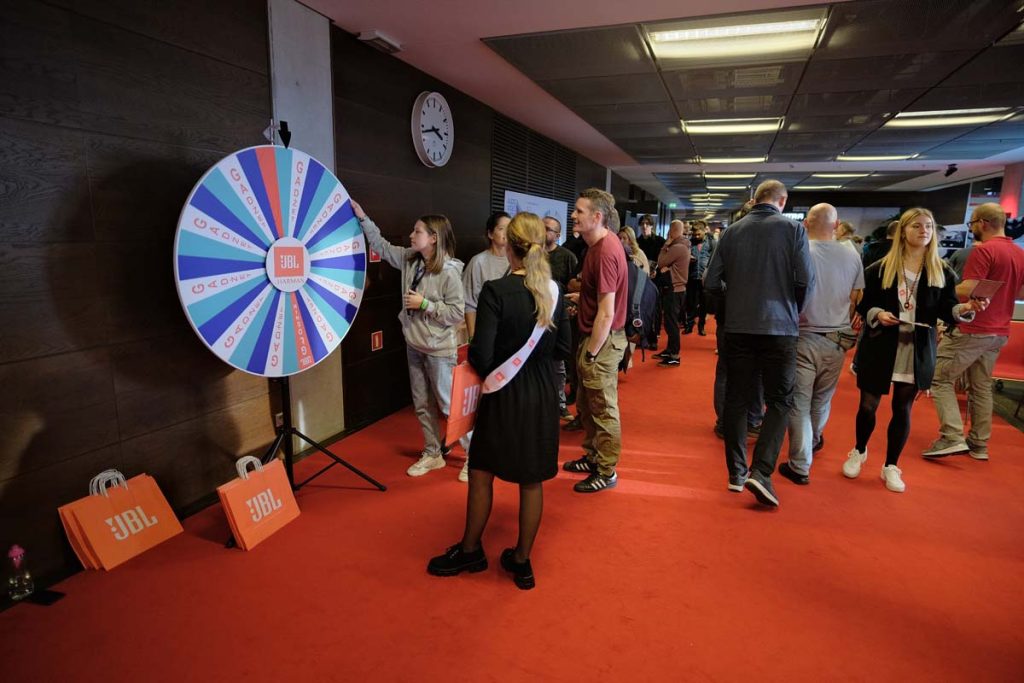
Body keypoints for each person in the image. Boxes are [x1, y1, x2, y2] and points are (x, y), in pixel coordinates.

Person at [426, 212, 571, 590]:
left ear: (509, 246)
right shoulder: (553, 292)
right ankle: (522, 560)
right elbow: (564, 349)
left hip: (503, 395)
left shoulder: (496, 291)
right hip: (541, 395)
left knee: (481, 471)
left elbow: (482, 355)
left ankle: (471, 550)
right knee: (532, 480)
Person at [842, 208, 983, 493]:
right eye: (917, 226)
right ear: (903, 231)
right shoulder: (879, 268)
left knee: (902, 408)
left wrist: (965, 309)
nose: (924, 230)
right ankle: (859, 450)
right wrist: (878, 313)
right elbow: (863, 304)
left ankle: (891, 465)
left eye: (928, 226)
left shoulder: (942, 271)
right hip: (881, 344)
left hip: (916, 348)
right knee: (867, 405)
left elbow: (947, 307)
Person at [704, 180, 814, 507]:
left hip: (738, 327)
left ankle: (736, 472)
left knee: (737, 397)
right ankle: (761, 472)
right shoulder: (794, 231)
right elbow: (804, 280)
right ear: (783, 201)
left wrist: (730, 306)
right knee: (780, 400)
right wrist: (792, 309)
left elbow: (711, 282)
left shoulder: (732, 232)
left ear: (755, 200)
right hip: (780, 327)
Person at [352, 201, 470, 479]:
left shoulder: (449, 271)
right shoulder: (410, 259)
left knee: (447, 405)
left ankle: (474, 456)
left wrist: (425, 304)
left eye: (417, 231)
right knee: (421, 404)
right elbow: (381, 246)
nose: (411, 235)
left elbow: (456, 313)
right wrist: (363, 217)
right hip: (414, 345)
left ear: (434, 238)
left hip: (439, 349)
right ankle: (433, 453)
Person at [924, 202, 1024, 461]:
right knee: (981, 387)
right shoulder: (1018, 253)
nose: (971, 229)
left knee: (939, 378)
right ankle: (979, 444)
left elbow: (968, 288)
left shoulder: (985, 251)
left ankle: (952, 436)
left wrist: (939, 290)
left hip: (973, 328)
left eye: (972, 224)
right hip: (999, 331)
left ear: (982, 223)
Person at [778, 204, 864, 486]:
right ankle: (813, 440)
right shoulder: (852, 253)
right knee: (822, 399)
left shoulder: (799, 252)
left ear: (805, 224)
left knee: (799, 402)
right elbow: (856, 297)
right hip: (838, 337)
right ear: (837, 225)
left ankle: (800, 464)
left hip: (803, 335)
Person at [561, 188, 629, 493]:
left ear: (597, 216)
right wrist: (583, 298)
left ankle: (606, 470)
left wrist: (591, 353)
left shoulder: (604, 252)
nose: (573, 215)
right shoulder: (596, 246)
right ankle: (593, 457)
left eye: (579, 211)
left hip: (601, 340)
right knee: (587, 405)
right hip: (594, 336)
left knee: (602, 409)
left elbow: (607, 313)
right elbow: (601, 298)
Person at [544, 215, 578, 420]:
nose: (543, 231)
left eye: (548, 229)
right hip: (535, 314)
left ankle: (560, 403)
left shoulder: (567, 257)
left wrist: (570, 308)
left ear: (557, 235)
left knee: (560, 361)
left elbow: (574, 287)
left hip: (560, 313)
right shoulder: (532, 254)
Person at [463, 211, 511, 340]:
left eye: (510, 228)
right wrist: (472, 337)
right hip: (486, 330)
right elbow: (469, 304)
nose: (507, 232)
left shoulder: (517, 260)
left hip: (511, 330)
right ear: (490, 234)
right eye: (501, 228)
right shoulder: (478, 262)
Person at [653, 220, 690, 367]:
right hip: (676, 289)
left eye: (670, 230)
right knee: (670, 322)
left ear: (674, 231)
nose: (668, 233)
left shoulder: (677, 247)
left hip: (674, 290)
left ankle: (674, 355)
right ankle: (670, 350)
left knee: (672, 324)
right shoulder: (683, 245)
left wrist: (665, 246)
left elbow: (661, 262)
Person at [684, 220, 712, 336]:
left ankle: (701, 326)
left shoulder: (711, 243)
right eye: (694, 234)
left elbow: (713, 259)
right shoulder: (689, 243)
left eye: (698, 234)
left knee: (703, 304)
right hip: (692, 277)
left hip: (704, 279)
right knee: (690, 304)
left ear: (704, 231)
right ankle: (689, 326)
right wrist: (688, 258)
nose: (696, 236)